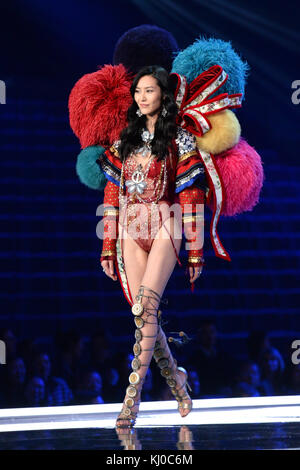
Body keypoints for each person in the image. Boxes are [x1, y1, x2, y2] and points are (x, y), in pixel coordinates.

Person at [98, 65, 209, 428]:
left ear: (163, 94)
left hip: (165, 221)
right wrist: (107, 246)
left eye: (148, 91)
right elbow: (111, 196)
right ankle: (177, 382)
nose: (142, 98)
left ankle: (132, 400)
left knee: (146, 307)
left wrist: (195, 249)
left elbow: (191, 196)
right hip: (131, 228)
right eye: (137, 92)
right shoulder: (123, 140)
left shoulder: (180, 139)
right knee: (144, 313)